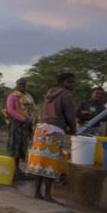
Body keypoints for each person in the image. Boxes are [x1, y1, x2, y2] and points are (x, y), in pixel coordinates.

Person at [27, 72, 77, 203]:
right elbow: (70, 115)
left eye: (73, 82)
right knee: (51, 163)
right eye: (70, 82)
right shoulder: (67, 95)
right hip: (54, 130)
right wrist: (74, 130)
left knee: (40, 162)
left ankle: (37, 192)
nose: (73, 85)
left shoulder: (50, 92)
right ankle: (48, 195)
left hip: (41, 129)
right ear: (62, 83)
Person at [5, 78, 36, 178]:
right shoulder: (12, 96)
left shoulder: (28, 96)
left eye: (24, 84)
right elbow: (10, 110)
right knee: (15, 145)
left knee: (23, 146)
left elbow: (32, 109)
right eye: (20, 84)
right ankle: (12, 169)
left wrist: (30, 120)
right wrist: (23, 119)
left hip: (26, 125)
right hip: (16, 124)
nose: (22, 86)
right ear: (16, 85)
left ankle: (17, 169)